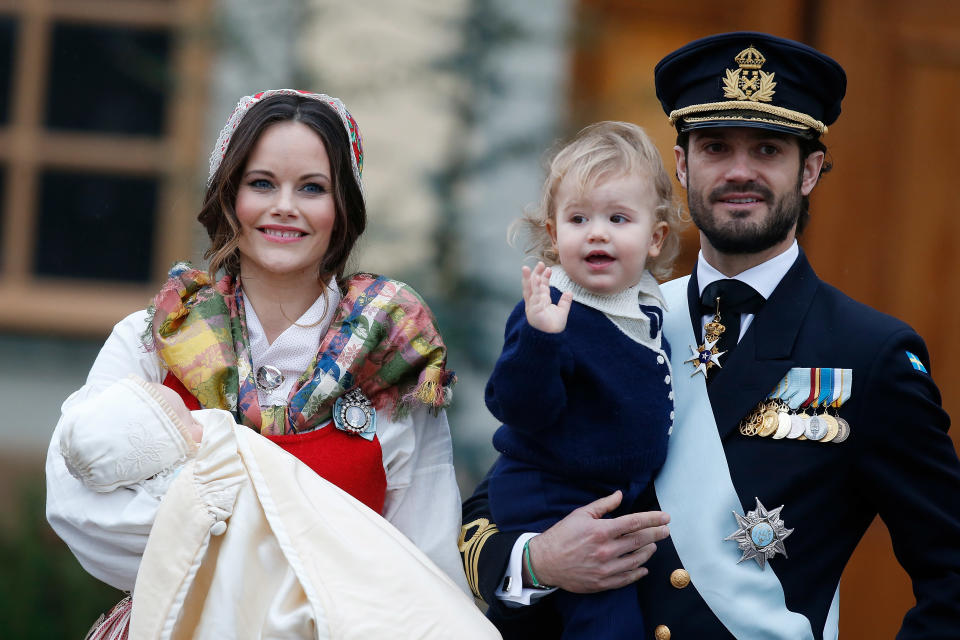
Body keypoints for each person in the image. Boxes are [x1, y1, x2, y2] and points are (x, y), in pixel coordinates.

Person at [460, 32, 960, 639]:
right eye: (716, 147)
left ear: (811, 170)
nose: (739, 172)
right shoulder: (601, 314)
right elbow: (495, 500)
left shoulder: (868, 353)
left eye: (768, 150)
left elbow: (950, 571)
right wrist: (537, 563)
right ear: (681, 165)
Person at [46, 89, 498, 638]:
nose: (285, 205)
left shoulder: (391, 358)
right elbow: (77, 506)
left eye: (312, 188)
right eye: (262, 184)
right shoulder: (154, 339)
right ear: (229, 196)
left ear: (342, 210)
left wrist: (213, 527)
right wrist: (299, 553)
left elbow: (422, 557)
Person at [483, 121, 681, 638]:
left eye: (618, 218)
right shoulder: (550, 311)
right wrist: (542, 341)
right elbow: (520, 407)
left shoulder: (649, 303)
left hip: (609, 492)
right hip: (552, 494)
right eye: (578, 218)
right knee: (607, 621)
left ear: (655, 238)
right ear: (553, 234)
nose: (597, 232)